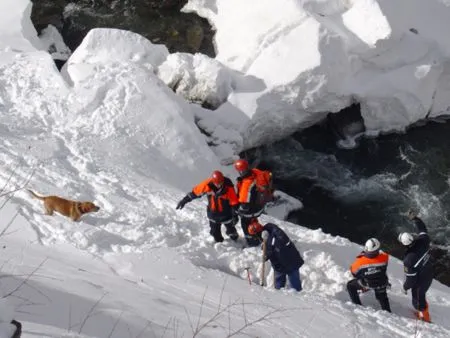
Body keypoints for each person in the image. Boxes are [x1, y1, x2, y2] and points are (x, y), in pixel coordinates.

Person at [176, 171, 239, 243]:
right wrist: (184, 200)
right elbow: (195, 193)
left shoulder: (228, 186)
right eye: (216, 184)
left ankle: (235, 239)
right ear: (213, 181)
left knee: (232, 232)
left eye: (220, 183)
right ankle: (220, 245)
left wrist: (235, 215)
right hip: (213, 215)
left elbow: (234, 201)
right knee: (216, 235)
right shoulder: (207, 185)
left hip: (226, 214)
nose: (218, 185)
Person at [248, 219, 304, 291]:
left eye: (254, 236)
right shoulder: (268, 235)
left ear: (258, 232)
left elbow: (278, 246)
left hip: (290, 261)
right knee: (279, 288)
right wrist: (267, 254)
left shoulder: (274, 235)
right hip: (280, 265)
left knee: (295, 288)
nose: (255, 238)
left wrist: (268, 250)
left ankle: (298, 300)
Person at [398, 210, 433, 322]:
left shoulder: (409, 260)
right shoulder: (423, 241)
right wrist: (415, 219)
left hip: (421, 281)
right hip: (429, 272)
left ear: (404, 244)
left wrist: (405, 287)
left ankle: (425, 317)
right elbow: (422, 229)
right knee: (421, 295)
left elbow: (411, 279)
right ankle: (423, 309)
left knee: (417, 301)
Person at [234, 159, 272, 246]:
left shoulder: (247, 184)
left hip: (251, 210)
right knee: (253, 222)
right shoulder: (255, 172)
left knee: (246, 225)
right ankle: (259, 234)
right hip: (259, 206)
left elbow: (244, 203)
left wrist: (237, 210)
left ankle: (253, 242)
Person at [347, 238, 391, 312]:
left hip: (368, 284)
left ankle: (357, 306)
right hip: (382, 283)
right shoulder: (385, 257)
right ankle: (388, 311)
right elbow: (382, 260)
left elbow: (354, 273)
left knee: (350, 286)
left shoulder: (360, 262)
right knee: (383, 298)